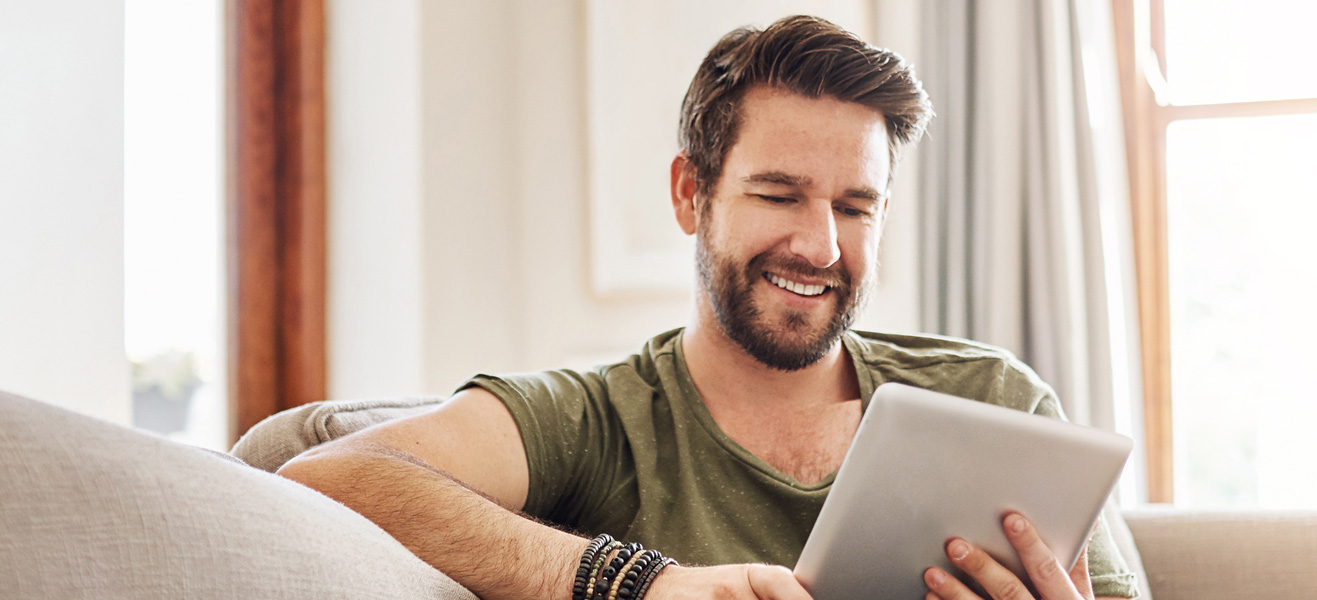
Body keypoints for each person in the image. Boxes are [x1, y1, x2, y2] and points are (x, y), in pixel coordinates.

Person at [277, 15, 1139, 600]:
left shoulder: (993, 399)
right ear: (692, 193)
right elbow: (324, 478)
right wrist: (642, 583)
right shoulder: (598, 421)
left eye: (854, 206)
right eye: (779, 194)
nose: (820, 247)